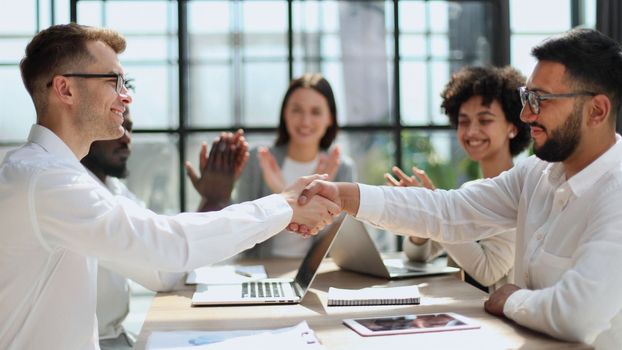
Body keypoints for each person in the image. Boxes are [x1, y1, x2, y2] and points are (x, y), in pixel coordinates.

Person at [0, 23, 338, 349]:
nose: (126, 96)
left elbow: (161, 267)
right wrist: (284, 204)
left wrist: (228, 199)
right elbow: (167, 245)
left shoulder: (57, 175)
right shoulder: (43, 179)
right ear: (65, 89)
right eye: (113, 81)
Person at [295, 28, 622, 349]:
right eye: (527, 97)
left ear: (596, 111)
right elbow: (449, 211)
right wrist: (344, 195)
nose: (525, 114)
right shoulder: (536, 173)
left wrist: (511, 299)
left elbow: (576, 316)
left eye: (541, 100)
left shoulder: (616, 193)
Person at [82, 107, 246, 349]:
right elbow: (165, 269)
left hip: (114, 337)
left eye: (129, 128)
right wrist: (214, 200)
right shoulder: (82, 194)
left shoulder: (114, 188)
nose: (126, 138)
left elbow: (165, 246)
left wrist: (214, 198)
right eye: (117, 126)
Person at [386, 66, 530, 292]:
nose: (471, 131)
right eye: (463, 121)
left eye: (484, 120)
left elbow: (487, 271)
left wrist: (434, 210)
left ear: (512, 128)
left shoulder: (518, 193)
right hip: (462, 312)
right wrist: (424, 217)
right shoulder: (470, 189)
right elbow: (416, 256)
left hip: (498, 321)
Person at [234, 73, 355, 258]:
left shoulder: (342, 168)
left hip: (314, 274)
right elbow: (240, 227)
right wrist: (282, 197)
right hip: (260, 269)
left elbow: (339, 241)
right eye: (297, 110)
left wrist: (314, 200)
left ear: (330, 118)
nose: (305, 121)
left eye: (315, 112)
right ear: (285, 113)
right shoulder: (259, 160)